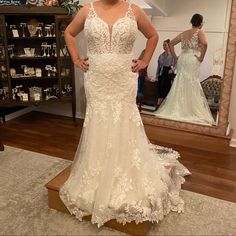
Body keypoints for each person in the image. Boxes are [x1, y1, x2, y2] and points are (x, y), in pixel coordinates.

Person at [59, 0, 190, 227]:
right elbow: (69, 33)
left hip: (123, 76)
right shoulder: (86, 11)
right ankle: (97, 171)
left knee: (123, 119)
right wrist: (76, 58)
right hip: (97, 78)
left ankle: (124, 170)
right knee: (99, 120)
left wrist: (146, 60)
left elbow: (153, 36)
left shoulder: (134, 11)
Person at [154, 14, 215, 125]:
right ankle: (188, 110)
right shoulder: (199, 32)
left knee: (180, 82)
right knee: (191, 82)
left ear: (191, 22)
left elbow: (171, 43)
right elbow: (205, 43)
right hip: (193, 59)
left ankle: (176, 108)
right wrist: (202, 57)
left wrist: (175, 57)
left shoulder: (184, 33)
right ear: (201, 23)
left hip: (183, 58)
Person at [156, 39, 176, 106]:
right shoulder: (161, 55)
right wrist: (157, 75)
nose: (164, 46)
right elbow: (158, 66)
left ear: (169, 45)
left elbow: (176, 64)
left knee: (165, 88)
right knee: (160, 88)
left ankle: (159, 104)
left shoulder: (173, 55)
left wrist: (172, 70)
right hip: (161, 72)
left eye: (165, 45)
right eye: (163, 45)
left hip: (168, 72)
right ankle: (159, 104)